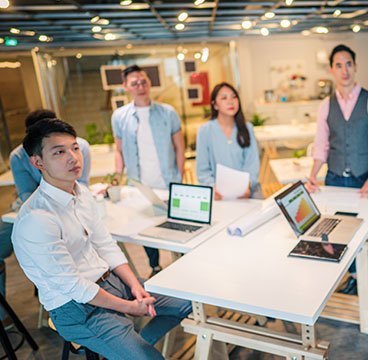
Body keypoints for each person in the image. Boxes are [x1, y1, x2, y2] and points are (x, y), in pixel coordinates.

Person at [12, 118, 191, 359]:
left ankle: (133, 348)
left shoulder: (81, 192)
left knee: (187, 303)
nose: (73, 157)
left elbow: (105, 244)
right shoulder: (37, 219)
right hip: (77, 309)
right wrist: (130, 308)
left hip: (110, 281)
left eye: (75, 148)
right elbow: (74, 286)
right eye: (59, 152)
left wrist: (135, 286)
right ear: (37, 162)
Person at [306, 44, 368, 295]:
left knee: (362, 232)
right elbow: (321, 145)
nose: (344, 70)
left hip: (364, 180)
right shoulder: (325, 106)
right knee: (336, 231)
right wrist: (312, 175)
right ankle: (352, 276)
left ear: (356, 66)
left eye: (348, 64)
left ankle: (362, 278)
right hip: (334, 178)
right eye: (339, 65)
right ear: (331, 70)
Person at [0, 109, 91, 327]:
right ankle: (3, 315)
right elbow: (26, 193)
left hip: (71, 203)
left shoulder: (79, 146)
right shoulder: (19, 156)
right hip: (31, 207)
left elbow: (81, 184)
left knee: (83, 240)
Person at [112, 65, 185, 276]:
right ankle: (155, 267)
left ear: (149, 83)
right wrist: (117, 177)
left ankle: (179, 266)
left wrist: (179, 177)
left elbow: (179, 147)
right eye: (134, 83)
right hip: (139, 185)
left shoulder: (168, 113)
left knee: (174, 228)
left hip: (168, 181)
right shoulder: (119, 117)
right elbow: (119, 150)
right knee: (145, 229)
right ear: (126, 87)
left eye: (143, 82)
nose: (140, 87)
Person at [195, 82, 260, 199]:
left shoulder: (247, 128)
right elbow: (202, 169)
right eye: (224, 98)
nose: (231, 102)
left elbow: (252, 164)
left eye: (234, 97)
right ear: (215, 105)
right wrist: (213, 187)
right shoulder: (205, 131)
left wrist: (247, 185)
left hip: (246, 191)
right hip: (218, 193)